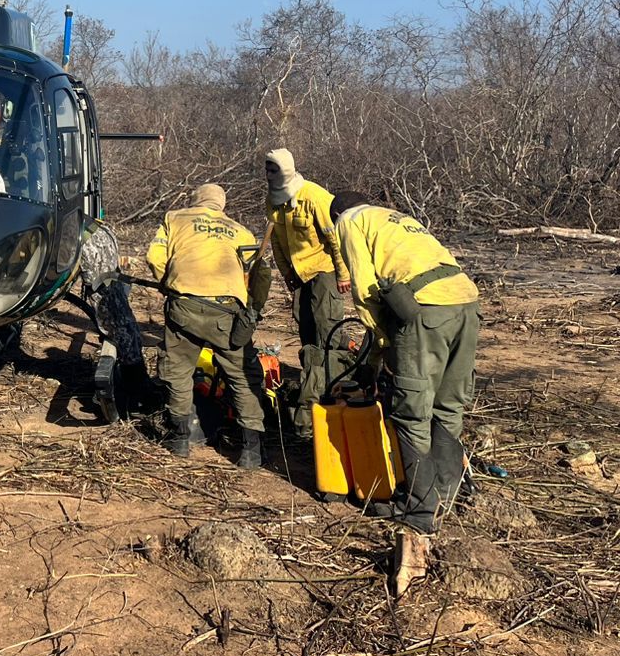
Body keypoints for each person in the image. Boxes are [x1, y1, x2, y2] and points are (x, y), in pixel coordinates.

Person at [328, 190, 479, 595]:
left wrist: (383, 344)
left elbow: (363, 289)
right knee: (448, 404)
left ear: (338, 213)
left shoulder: (349, 221)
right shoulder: (396, 217)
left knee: (412, 412)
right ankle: (447, 495)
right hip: (466, 301)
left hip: (425, 311)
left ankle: (418, 511)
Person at [147, 183, 268, 470]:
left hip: (184, 306)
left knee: (178, 371)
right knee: (242, 376)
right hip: (227, 312)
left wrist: (169, 284)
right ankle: (251, 452)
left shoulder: (175, 218)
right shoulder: (242, 231)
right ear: (221, 205)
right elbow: (257, 274)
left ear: (195, 200)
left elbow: (155, 257)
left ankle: (180, 441)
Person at [265, 149, 352, 438]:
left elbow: (335, 237)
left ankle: (331, 386)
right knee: (305, 327)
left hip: (324, 271)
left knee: (327, 330)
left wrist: (342, 273)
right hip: (299, 275)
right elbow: (277, 241)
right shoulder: (273, 201)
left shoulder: (314, 196)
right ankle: (311, 383)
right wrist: (286, 273)